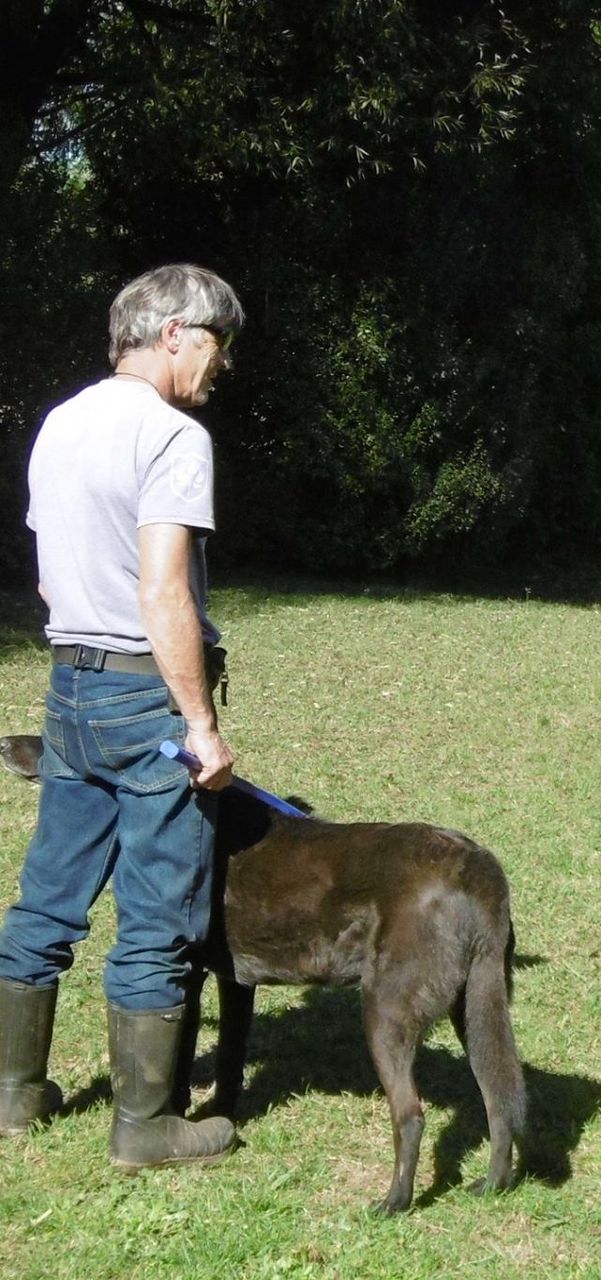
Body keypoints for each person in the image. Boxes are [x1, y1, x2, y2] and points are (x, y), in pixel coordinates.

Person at [0, 264, 243, 1169]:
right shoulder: (173, 433)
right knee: (155, 916)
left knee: (47, 897)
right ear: (176, 332)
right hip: (144, 694)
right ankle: (146, 1127)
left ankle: (13, 1093)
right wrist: (199, 724)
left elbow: (45, 568)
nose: (221, 364)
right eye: (218, 343)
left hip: (67, 683)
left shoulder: (60, 423)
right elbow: (163, 587)